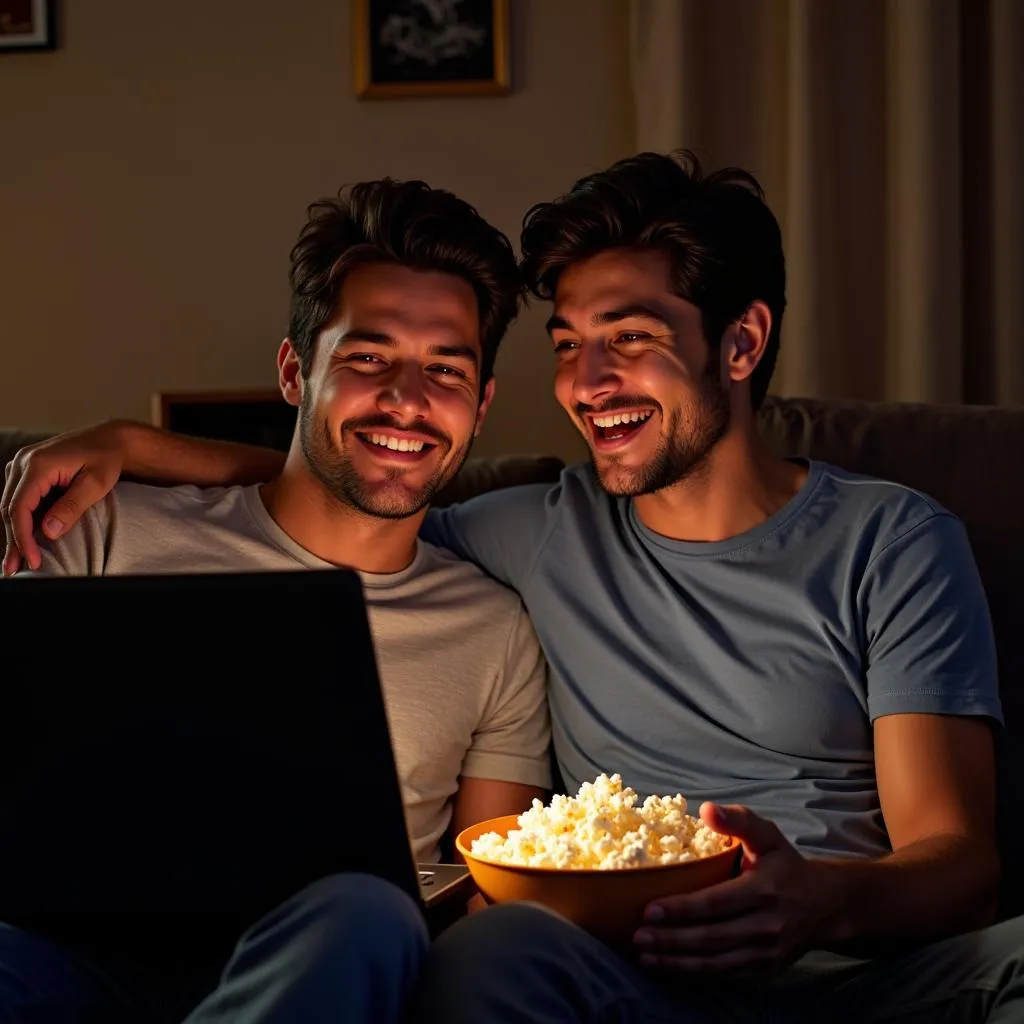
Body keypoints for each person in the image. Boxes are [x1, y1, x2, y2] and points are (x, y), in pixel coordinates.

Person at [5, 151, 1023, 1021]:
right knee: (491, 954)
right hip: (631, 977)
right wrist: (133, 448)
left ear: (742, 343)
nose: (585, 384)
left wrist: (818, 903)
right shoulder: (528, 532)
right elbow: (355, 495)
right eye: (569, 347)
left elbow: (960, 862)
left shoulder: (888, 539)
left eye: (628, 339)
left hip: (867, 972)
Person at [0, 178, 552, 1024]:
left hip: (320, 964)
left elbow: (490, 901)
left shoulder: (496, 631)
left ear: (479, 408)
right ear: (295, 372)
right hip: (73, 956)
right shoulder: (99, 528)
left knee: (369, 912)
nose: (407, 399)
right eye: (368, 359)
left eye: (445, 369)